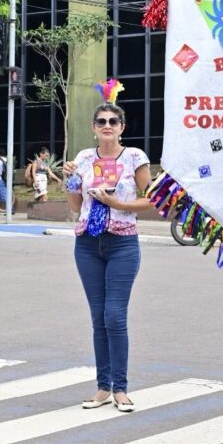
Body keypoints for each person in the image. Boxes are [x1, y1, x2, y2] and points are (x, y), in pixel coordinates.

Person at [64, 101, 152, 413]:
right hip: (88, 242)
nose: (107, 125)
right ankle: (103, 387)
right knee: (98, 317)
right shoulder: (84, 158)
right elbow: (76, 206)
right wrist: (69, 180)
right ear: (93, 127)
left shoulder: (134, 157)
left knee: (115, 316)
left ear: (122, 127)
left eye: (114, 121)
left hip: (122, 243)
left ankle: (122, 388)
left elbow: (152, 199)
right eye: (101, 120)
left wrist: (118, 203)